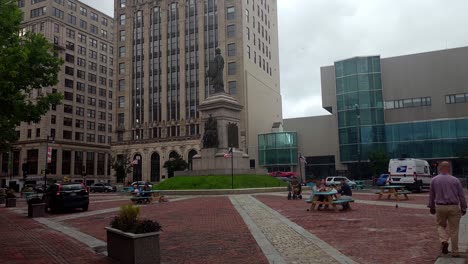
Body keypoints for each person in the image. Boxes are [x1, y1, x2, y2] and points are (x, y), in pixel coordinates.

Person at [428, 161, 467, 257]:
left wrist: (431, 206)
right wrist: (464, 207)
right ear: (449, 169)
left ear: (439, 168)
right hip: (453, 206)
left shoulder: (434, 180)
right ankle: (455, 251)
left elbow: (431, 195)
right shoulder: (455, 180)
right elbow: (461, 195)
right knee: (454, 230)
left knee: (440, 225)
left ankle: (444, 240)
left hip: (440, 207)